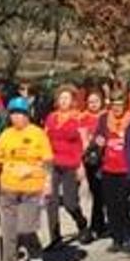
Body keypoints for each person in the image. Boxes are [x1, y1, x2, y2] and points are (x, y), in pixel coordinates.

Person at [0, 97, 53, 261]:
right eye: (13, 113)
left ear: (27, 115)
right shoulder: (6, 134)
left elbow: (47, 160)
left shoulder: (38, 134)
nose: (16, 117)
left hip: (32, 187)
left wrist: (48, 182)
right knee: (9, 230)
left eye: (20, 113)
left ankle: (35, 251)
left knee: (25, 227)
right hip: (8, 187)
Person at [92, 91, 130, 253]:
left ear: (125, 105)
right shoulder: (104, 120)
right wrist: (98, 141)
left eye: (120, 104)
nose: (117, 108)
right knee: (110, 206)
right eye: (114, 104)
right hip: (107, 168)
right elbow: (97, 137)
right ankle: (116, 238)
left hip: (126, 169)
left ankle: (127, 237)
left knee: (122, 204)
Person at [44, 85, 91, 248]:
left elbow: (84, 143)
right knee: (51, 201)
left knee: (70, 203)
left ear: (73, 101)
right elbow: (44, 138)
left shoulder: (78, 118)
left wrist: (81, 166)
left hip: (71, 164)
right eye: (61, 98)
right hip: (52, 164)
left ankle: (82, 223)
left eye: (67, 98)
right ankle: (55, 238)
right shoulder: (51, 117)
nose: (63, 101)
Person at [80, 91, 106, 237]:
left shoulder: (106, 116)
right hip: (91, 158)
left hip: (107, 158)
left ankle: (99, 224)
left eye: (96, 101)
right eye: (90, 102)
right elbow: (82, 136)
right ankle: (96, 225)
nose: (93, 104)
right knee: (95, 191)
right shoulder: (83, 117)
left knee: (102, 192)